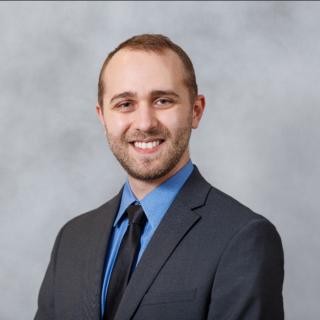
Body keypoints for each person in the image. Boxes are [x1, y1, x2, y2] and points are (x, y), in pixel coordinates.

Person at [34, 34, 284, 320]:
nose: (144, 123)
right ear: (102, 117)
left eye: (163, 101)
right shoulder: (72, 239)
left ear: (196, 110)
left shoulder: (242, 238)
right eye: (125, 104)